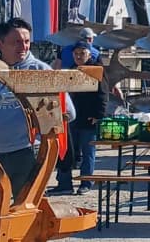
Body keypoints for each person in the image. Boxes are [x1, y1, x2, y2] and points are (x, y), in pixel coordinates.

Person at [0, 18, 75, 219]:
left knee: (26, 215)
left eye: (27, 41)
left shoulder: (41, 72)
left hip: (26, 155)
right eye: (16, 42)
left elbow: (68, 113)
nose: (23, 46)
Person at [49, 42, 106, 196]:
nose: (79, 56)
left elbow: (103, 95)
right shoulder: (71, 70)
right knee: (66, 151)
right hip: (71, 119)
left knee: (88, 153)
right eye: (76, 54)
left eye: (82, 53)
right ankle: (64, 183)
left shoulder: (96, 70)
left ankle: (86, 182)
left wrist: (98, 116)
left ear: (89, 54)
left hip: (89, 118)